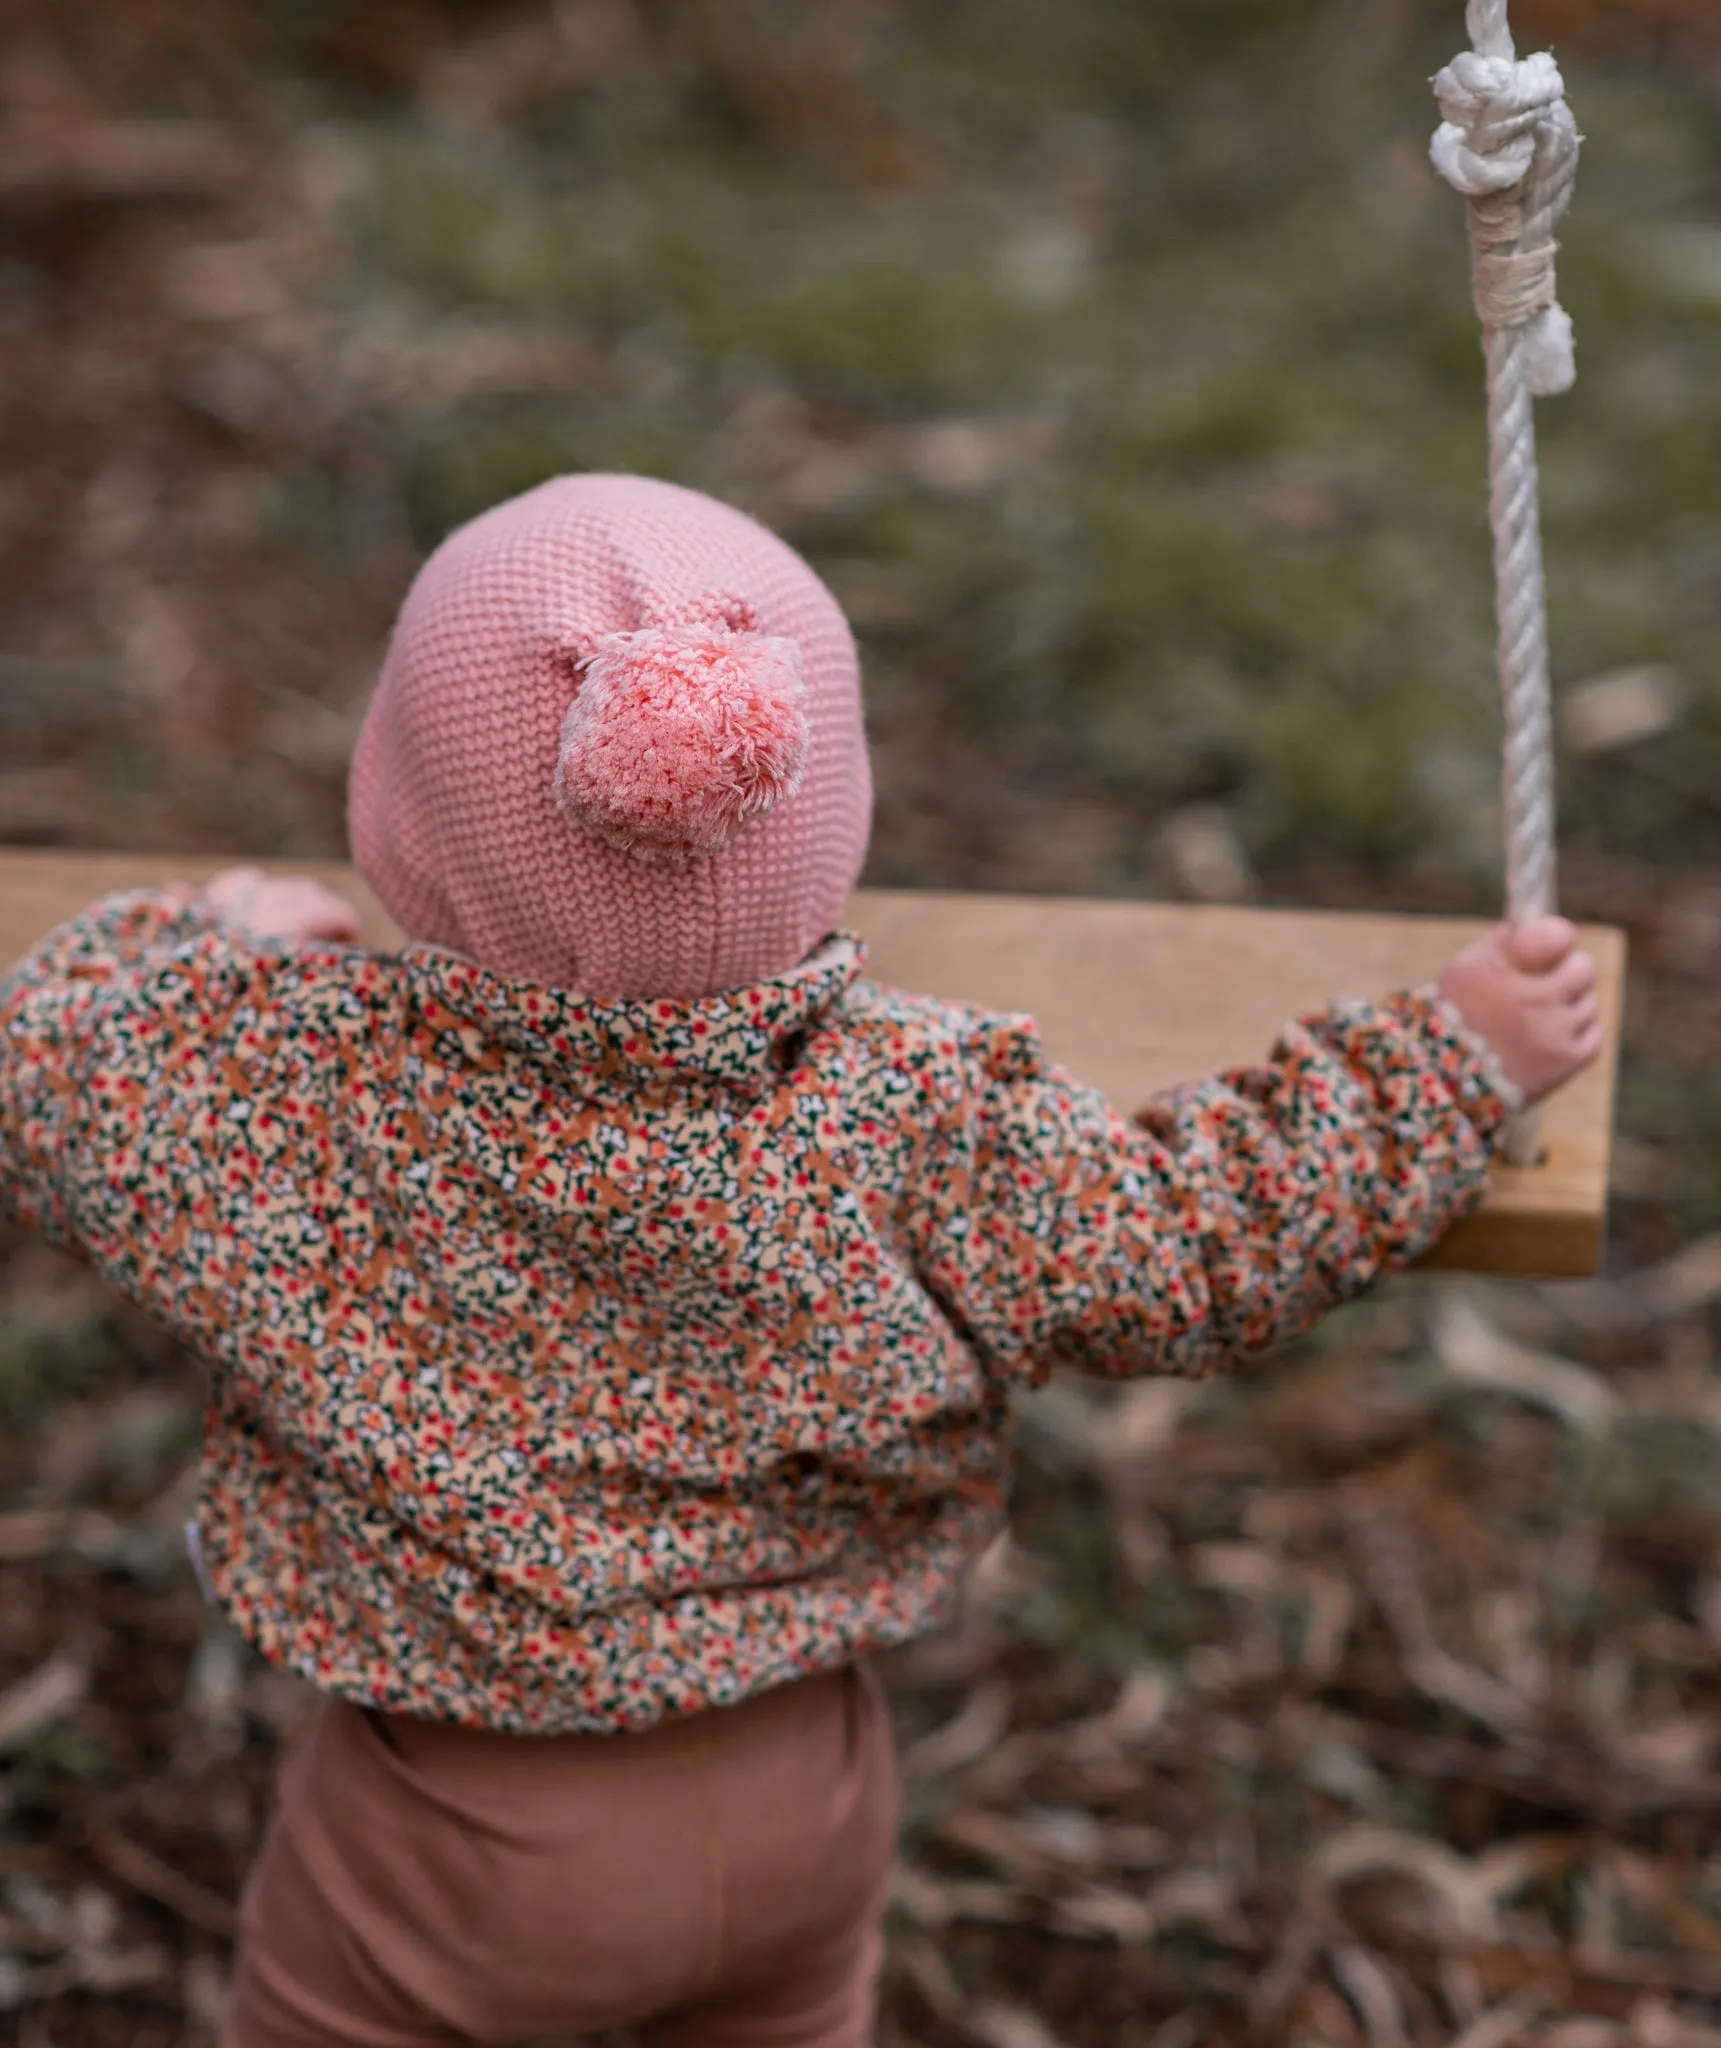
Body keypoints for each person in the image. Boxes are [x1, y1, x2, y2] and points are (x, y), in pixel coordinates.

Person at [0, 473, 1601, 2048]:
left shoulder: (273, 1077)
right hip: (807, 1794)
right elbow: (1197, 1241)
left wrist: (220, 932)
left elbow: (45, 1060)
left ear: (397, 821)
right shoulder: (921, 1107)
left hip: (457, 1833)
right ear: (821, 814)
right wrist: (1447, 1061)